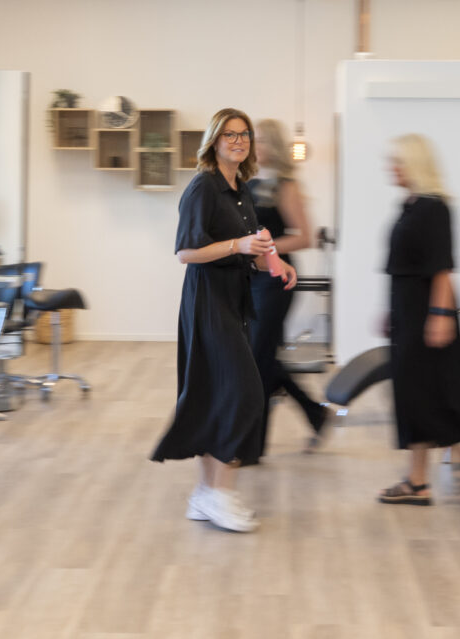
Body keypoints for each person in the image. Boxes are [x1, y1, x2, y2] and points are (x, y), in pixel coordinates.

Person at [151, 108, 297, 532]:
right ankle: (221, 493)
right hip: (208, 303)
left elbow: (253, 246)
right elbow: (186, 252)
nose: (239, 141)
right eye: (229, 135)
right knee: (244, 392)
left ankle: (205, 493)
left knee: (213, 394)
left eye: (244, 134)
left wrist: (276, 262)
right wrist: (238, 245)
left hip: (235, 300)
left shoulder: (240, 189)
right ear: (214, 141)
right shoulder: (203, 188)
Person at [379, 133, 460, 506]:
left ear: (415, 164)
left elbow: (442, 269)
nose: (391, 167)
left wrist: (439, 316)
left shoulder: (435, 208)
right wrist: (390, 310)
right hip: (408, 308)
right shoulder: (409, 205)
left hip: (427, 310)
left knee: (417, 393)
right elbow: (404, 266)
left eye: (398, 161)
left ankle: (418, 482)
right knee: (422, 390)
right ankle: (458, 454)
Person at [242, 119, 330, 464]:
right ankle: (315, 413)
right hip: (252, 278)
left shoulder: (285, 184)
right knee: (262, 358)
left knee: (259, 360)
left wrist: (266, 249)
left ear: (275, 146)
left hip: (277, 279)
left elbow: (304, 236)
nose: (255, 145)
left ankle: (254, 445)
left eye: (262, 140)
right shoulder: (249, 182)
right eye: (254, 139)